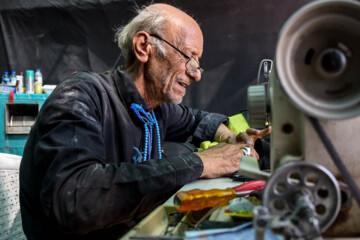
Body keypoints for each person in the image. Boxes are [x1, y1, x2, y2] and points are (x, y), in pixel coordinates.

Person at [19, 3, 270, 239]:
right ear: (143, 47)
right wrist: (201, 163)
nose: (196, 74)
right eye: (188, 58)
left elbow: (196, 120)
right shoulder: (80, 97)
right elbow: (74, 201)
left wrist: (228, 139)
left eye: (198, 64)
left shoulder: (156, 108)